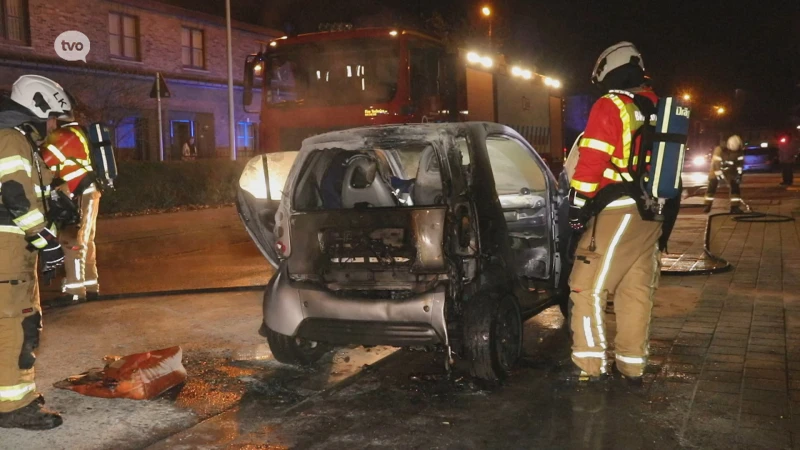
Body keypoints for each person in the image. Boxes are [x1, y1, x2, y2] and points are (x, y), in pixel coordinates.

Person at [567, 42, 662, 383]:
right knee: (634, 291)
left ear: (608, 69)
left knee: (586, 288)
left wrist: (577, 205)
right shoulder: (653, 105)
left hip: (616, 211)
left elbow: (592, 160)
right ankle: (631, 367)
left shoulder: (611, 104)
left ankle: (589, 369)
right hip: (650, 214)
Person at [0, 75, 71, 430]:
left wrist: (59, 200)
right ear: (39, 109)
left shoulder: (18, 140)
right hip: (7, 251)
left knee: (15, 323)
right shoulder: (12, 139)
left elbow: (40, 190)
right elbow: (17, 198)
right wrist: (48, 241)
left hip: (14, 251)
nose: (54, 125)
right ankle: (14, 406)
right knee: (16, 326)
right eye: (54, 117)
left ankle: (14, 395)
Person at [40, 124, 102, 306]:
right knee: (86, 241)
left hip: (79, 193)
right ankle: (90, 286)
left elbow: (44, 160)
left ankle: (75, 291)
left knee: (72, 242)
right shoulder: (77, 133)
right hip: (87, 191)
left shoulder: (64, 135)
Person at [703, 135, 744, 213]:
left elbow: (740, 164)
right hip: (716, 171)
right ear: (728, 145)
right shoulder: (719, 150)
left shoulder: (739, 151)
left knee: (735, 187)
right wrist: (720, 178)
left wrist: (739, 175)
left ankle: (734, 207)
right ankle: (707, 205)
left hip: (731, 171)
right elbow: (716, 165)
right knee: (712, 186)